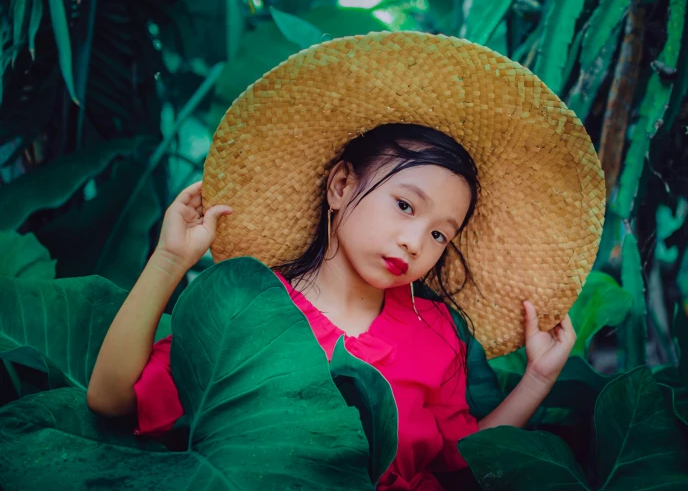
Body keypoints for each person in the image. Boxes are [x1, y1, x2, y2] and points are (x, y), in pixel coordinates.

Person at [87, 31, 604, 490]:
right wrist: (169, 259)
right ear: (339, 186)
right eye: (404, 205)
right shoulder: (250, 307)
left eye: (440, 234)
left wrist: (538, 378)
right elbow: (111, 401)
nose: (414, 241)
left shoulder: (439, 333)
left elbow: (463, 464)